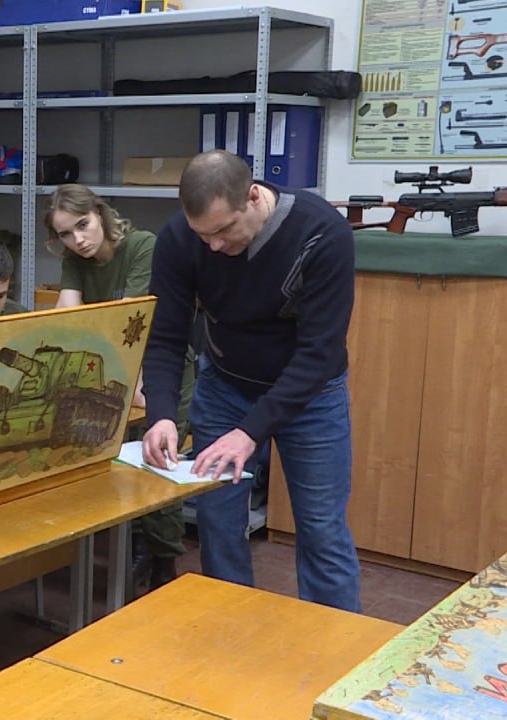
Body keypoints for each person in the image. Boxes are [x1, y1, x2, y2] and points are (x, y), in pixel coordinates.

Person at [140, 150, 360, 612]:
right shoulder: (180, 238)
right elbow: (165, 337)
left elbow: (318, 354)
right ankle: (229, 628)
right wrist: (160, 415)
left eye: (223, 231)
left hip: (311, 397)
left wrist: (249, 432)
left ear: (253, 197)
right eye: (203, 235)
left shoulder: (322, 234)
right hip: (225, 386)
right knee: (217, 521)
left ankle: (340, 643)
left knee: (321, 529)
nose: (213, 246)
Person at [45, 183, 194, 591]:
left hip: (160, 369)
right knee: (117, 465)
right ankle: (135, 550)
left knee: (159, 464)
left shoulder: (142, 246)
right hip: (111, 372)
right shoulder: (76, 260)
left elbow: (133, 324)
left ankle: (164, 560)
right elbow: (68, 316)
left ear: (100, 214)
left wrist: (138, 382)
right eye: (65, 234)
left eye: (83, 224)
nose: (78, 239)